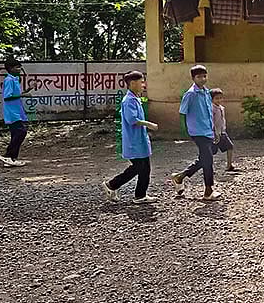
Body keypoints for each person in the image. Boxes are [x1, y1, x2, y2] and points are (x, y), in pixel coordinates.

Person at [102, 71, 159, 203]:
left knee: (142, 168)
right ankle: (119, 187)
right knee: (141, 168)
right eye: (141, 82)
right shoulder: (129, 101)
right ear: (133, 83)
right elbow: (132, 119)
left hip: (139, 140)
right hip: (134, 142)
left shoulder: (135, 98)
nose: (143, 85)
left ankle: (122, 189)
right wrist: (149, 124)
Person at [171, 64, 221, 200]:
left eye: (204, 76)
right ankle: (208, 191)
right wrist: (185, 131)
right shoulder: (190, 94)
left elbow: (209, 113)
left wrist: (214, 130)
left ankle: (180, 177)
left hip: (207, 130)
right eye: (199, 77)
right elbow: (182, 113)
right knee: (208, 160)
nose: (202, 79)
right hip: (197, 131)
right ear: (193, 78)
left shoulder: (206, 92)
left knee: (205, 159)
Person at [0, 58, 31, 167]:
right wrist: (23, 95)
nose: (20, 69)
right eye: (17, 67)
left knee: (15, 134)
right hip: (12, 112)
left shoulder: (14, 79)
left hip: (16, 110)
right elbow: (7, 97)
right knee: (21, 132)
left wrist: (27, 91)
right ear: (11, 69)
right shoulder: (9, 80)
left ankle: (11, 159)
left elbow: (16, 94)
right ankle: (8, 155)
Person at [209, 88, 240, 173]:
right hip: (214, 133)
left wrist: (223, 129)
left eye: (220, 98)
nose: (219, 100)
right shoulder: (211, 109)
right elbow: (211, 121)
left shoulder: (221, 108)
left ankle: (229, 165)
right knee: (211, 151)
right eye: (216, 98)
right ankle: (209, 167)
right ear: (211, 99)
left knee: (230, 146)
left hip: (222, 132)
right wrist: (214, 131)